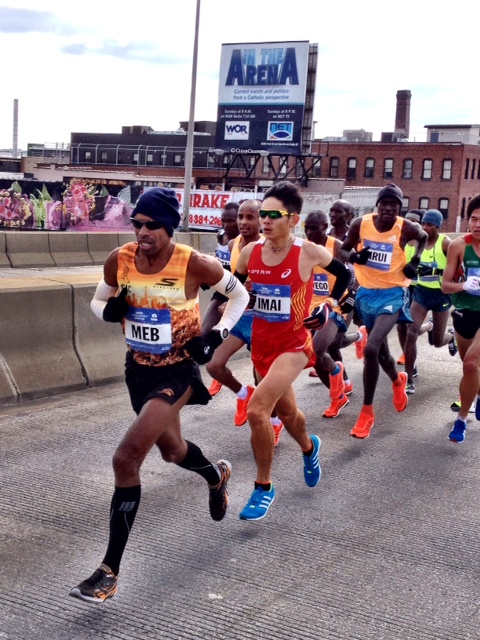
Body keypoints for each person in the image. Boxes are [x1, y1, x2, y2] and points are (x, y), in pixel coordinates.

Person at [69, 188, 249, 603]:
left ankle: (108, 572)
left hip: (178, 370)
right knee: (172, 450)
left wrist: (216, 335)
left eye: (152, 225)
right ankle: (215, 475)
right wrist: (109, 311)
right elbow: (98, 300)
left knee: (126, 457)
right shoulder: (121, 258)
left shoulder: (195, 262)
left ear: (169, 226)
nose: (142, 231)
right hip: (139, 371)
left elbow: (238, 295)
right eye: (137, 223)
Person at [234, 181, 351, 521]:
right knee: (288, 415)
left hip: (295, 345)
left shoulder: (308, 252)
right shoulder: (249, 253)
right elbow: (234, 290)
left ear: (293, 219)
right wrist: (221, 326)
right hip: (262, 345)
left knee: (258, 411)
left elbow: (343, 276)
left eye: (273, 215)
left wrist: (328, 303)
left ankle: (263, 487)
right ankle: (309, 447)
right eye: (262, 215)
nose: (265, 221)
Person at [339, 183, 427, 439]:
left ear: (400, 207)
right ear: (378, 205)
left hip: (393, 293)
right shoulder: (360, 224)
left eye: (394, 204)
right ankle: (398, 381)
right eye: (384, 203)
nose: (389, 208)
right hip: (366, 293)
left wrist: (415, 260)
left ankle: (367, 413)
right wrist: (356, 258)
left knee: (370, 348)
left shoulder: (406, 227)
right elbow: (343, 250)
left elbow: (422, 238)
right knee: (382, 355)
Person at [206, 199, 284, 443]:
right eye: (241, 216)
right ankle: (242, 393)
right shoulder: (233, 244)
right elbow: (232, 282)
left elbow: (279, 287)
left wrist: (250, 296)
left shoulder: (270, 247)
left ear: (261, 220)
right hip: (241, 317)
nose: (243, 222)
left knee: (263, 379)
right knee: (213, 365)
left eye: (250, 217)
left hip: (264, 319)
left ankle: (275, 421)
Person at [303, 210, 364, 418]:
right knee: (313, 358)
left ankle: (339, 383)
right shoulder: (303, 248)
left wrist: (351, 296)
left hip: (336, 304)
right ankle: (337, 390)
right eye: (307, 227)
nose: (310, 232)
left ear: (325, 227)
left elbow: (354, 274)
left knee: (320, 349)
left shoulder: (336, 246)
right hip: (311, 307)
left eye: (314, 228)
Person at [402, 209, 455, 393]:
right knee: (411, 333)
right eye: (423, 223)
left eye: (429, 224)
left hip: (441, 295)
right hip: (422, 293)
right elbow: (407, 270)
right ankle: (408, 378)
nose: (425, 227)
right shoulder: (413, 245)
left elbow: (457, 265)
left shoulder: (445, 243)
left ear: (438, 227)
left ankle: (452, 337)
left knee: (437, 342)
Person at [441, 194, 480, 443]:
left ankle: (461, 420)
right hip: (464, 312)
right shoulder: (458, 246)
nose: (478, 224)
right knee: (469, 367)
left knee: (471, 364)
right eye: (474, 219)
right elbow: (445, 285)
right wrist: (465, 284)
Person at [202, 202, 240, 338]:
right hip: (222, 291)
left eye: (231, 221)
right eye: (223, 220)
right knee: (205, 331)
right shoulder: (221, 236)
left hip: (241, 292)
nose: (226, 225)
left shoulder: (243, 242)